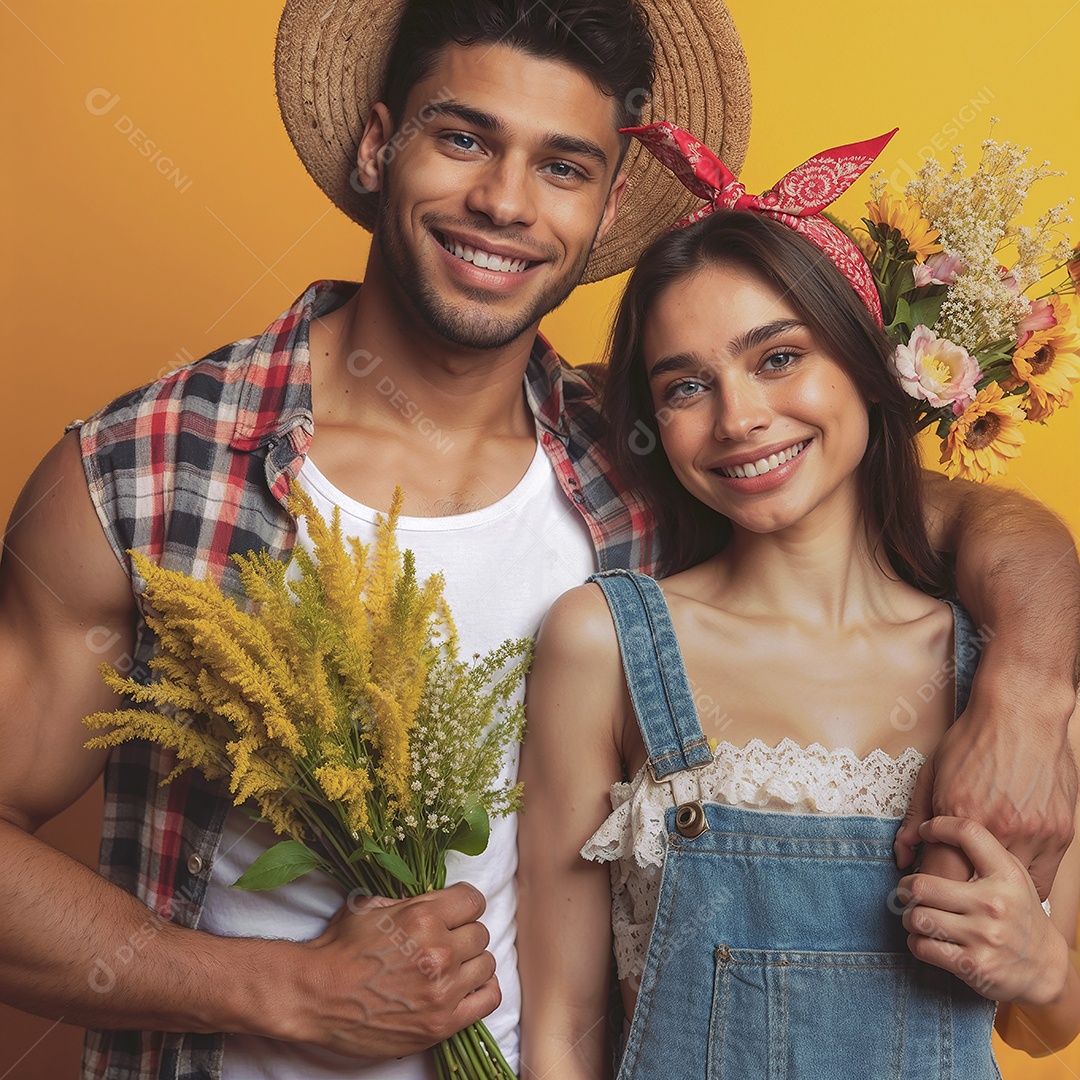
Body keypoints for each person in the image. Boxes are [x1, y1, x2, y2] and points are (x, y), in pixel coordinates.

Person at [0, 1, 1076, 1078]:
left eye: (561, 166)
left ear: (610, 205)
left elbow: (955, 517)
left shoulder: (656, 446)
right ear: (380, 146)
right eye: (463, 138)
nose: (503, 202)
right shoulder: (154, 467)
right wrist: (276, 991)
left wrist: (1028, 685)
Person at [517, 129, 1080, 1077]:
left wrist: (1042, 968)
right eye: (688, 386)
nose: (738, 418)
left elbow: (1048, 1023)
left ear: (867, 362)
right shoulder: (604, 642)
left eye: (777, 358)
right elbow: (563, 1024)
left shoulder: (1011, 677)